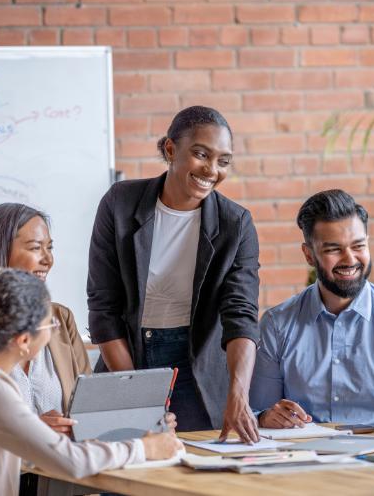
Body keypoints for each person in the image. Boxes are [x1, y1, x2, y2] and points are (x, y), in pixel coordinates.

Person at [0, 268, 183, 496]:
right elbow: (71, 462)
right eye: (50, 325)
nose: (55, 331)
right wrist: (144, 448)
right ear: (24, 340)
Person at [87, 106, 260, 441]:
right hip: (126, 358)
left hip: (196, 370)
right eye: (201, 154)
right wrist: (136, 393)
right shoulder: (120, 204)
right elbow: (103, 308)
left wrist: (238, 394)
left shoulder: (235, 224)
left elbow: (241, 315)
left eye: (223, 160)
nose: (212, 170)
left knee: (194, 482)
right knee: (122, 476)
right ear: (170, 149)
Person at [250, 189, 374, 431]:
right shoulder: (277, 325)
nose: (350, 259)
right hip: (303, 461)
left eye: (358, 246)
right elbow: (259, 412)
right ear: (309, 255)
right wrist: (267, 417)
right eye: (333, 249)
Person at [0, 203, 90, 436]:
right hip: (2, 470)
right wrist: (31, 429)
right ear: (0, 253)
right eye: (35, 248)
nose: (48, 259)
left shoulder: (60, 318)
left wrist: (145, 421)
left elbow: (91, 408)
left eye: (49, 248)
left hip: (61, 468)